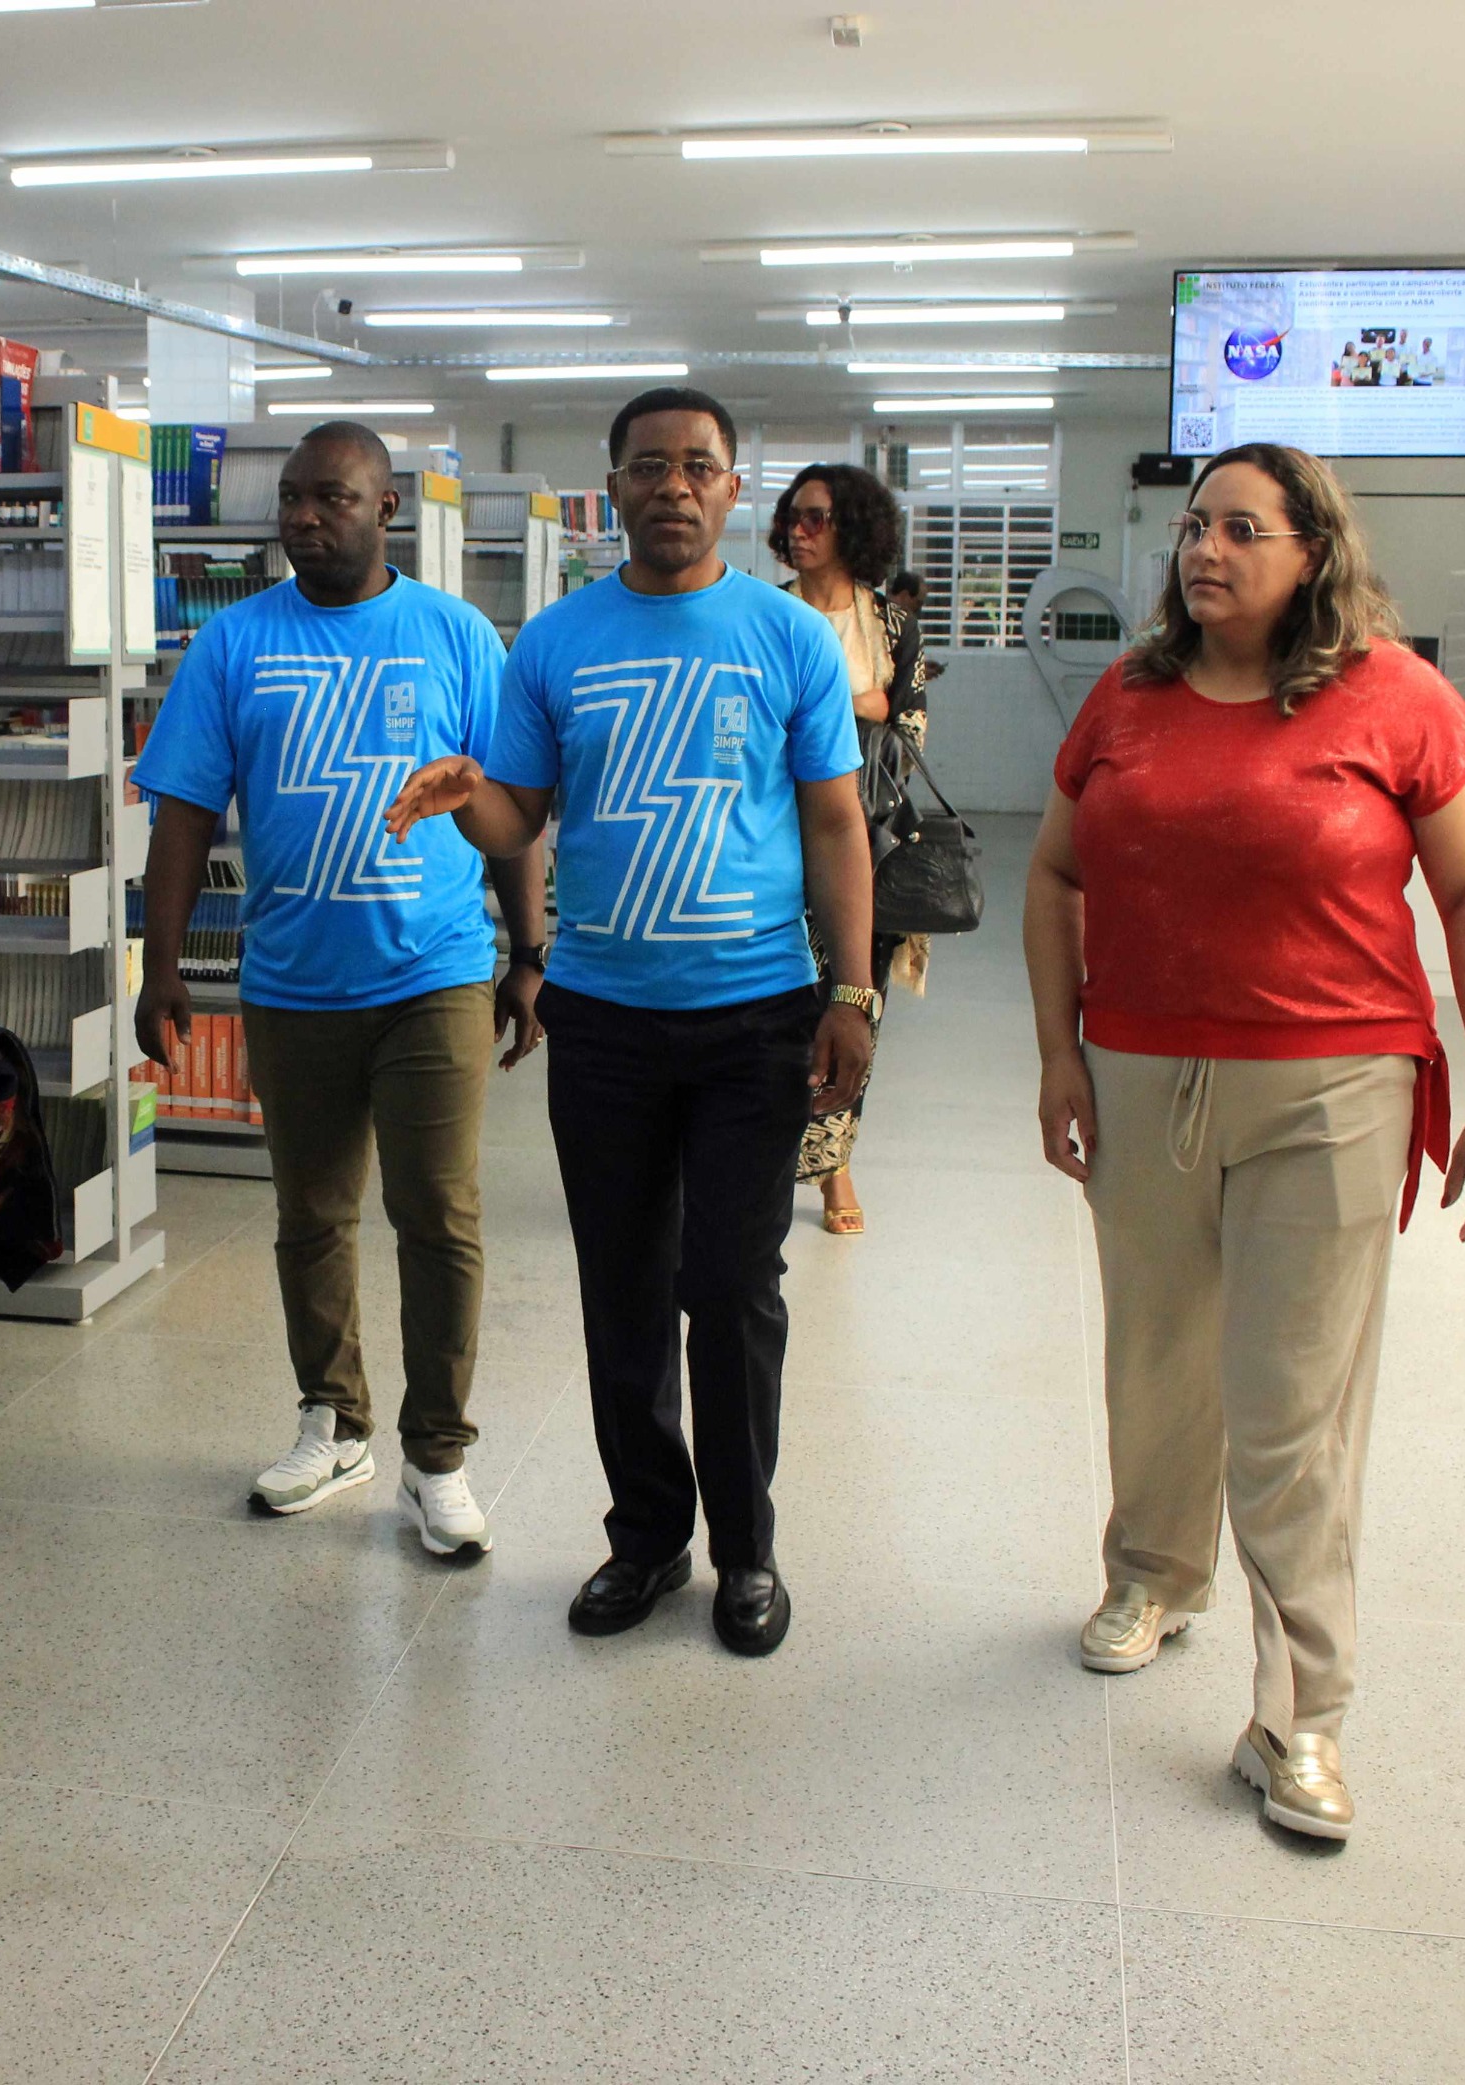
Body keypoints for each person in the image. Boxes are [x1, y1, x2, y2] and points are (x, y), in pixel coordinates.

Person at [1023, 440, 1465, 1843]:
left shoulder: (1397, 698)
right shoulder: (1130, 696)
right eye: (1196, 525)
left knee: (1291, 1402)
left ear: (1314, 552)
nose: (1206, 549)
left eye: (1243, 529)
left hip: (1332, 1084)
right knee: (1155, 1350)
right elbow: (1055, 873)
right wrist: (1062, 1053)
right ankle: (1153, 1572)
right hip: (1141, 1073)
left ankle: (1299, 1715)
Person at [384, 386, 876, 1658]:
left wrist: (851, 991)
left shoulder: (786, 637)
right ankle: (648, 1537)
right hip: (602, 1019)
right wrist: (465, 797)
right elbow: (520, 816)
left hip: (754, 1017)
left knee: (732, 1287)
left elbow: (834, 823)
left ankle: (746, 1550)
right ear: (612, 490)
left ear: (731, 490)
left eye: (697, 465)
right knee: (621, 1287)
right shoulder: (553, 642)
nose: (672, 485)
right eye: (648, 466)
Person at [132, 421, 548, 1555]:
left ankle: (437, 1454)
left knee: (438, 1214)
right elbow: (183, 814)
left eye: (332, 498)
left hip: (434, 972)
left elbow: (507, 806)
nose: (304, 519)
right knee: (311, 1214)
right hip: (291, 981)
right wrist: (159, 964)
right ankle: (335, 1417)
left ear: (387, 510)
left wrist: (528, 954)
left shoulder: (455, 635)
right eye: (291, 499)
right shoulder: (232, 643)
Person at [770, 463, 923, 1236]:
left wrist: (832, 710)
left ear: (853, 529)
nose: (798, 531)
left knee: (852, 1009)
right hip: (771, 848)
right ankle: (766, 1159)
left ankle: (834, 1166)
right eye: (792, 516)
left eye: (817, 518)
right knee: (779, 1016)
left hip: (863, 846)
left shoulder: (890, 625)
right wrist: (859, 703)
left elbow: (909, 727)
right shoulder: (765, 614)